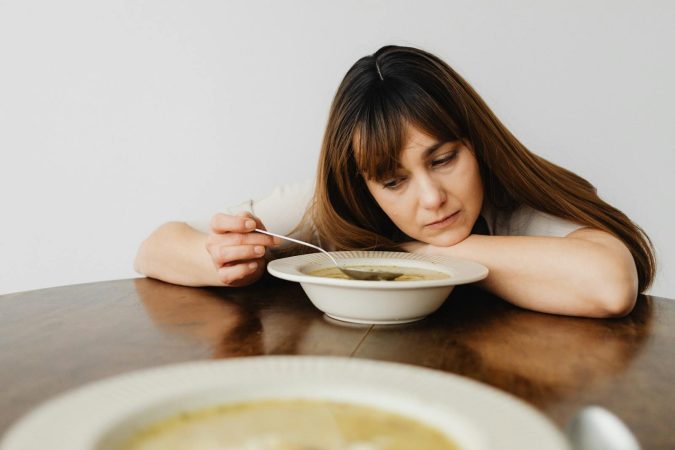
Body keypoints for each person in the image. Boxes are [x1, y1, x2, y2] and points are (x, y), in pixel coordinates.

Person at [134, 45, 655, 318]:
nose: (432, 198)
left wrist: (412, 254)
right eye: (392, 180)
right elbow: (154, 249)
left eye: (445, 158)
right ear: (362, 186)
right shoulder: (327, 207)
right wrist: (222, 261)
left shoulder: (513, 204)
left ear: (476, 142)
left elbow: (609, 285)